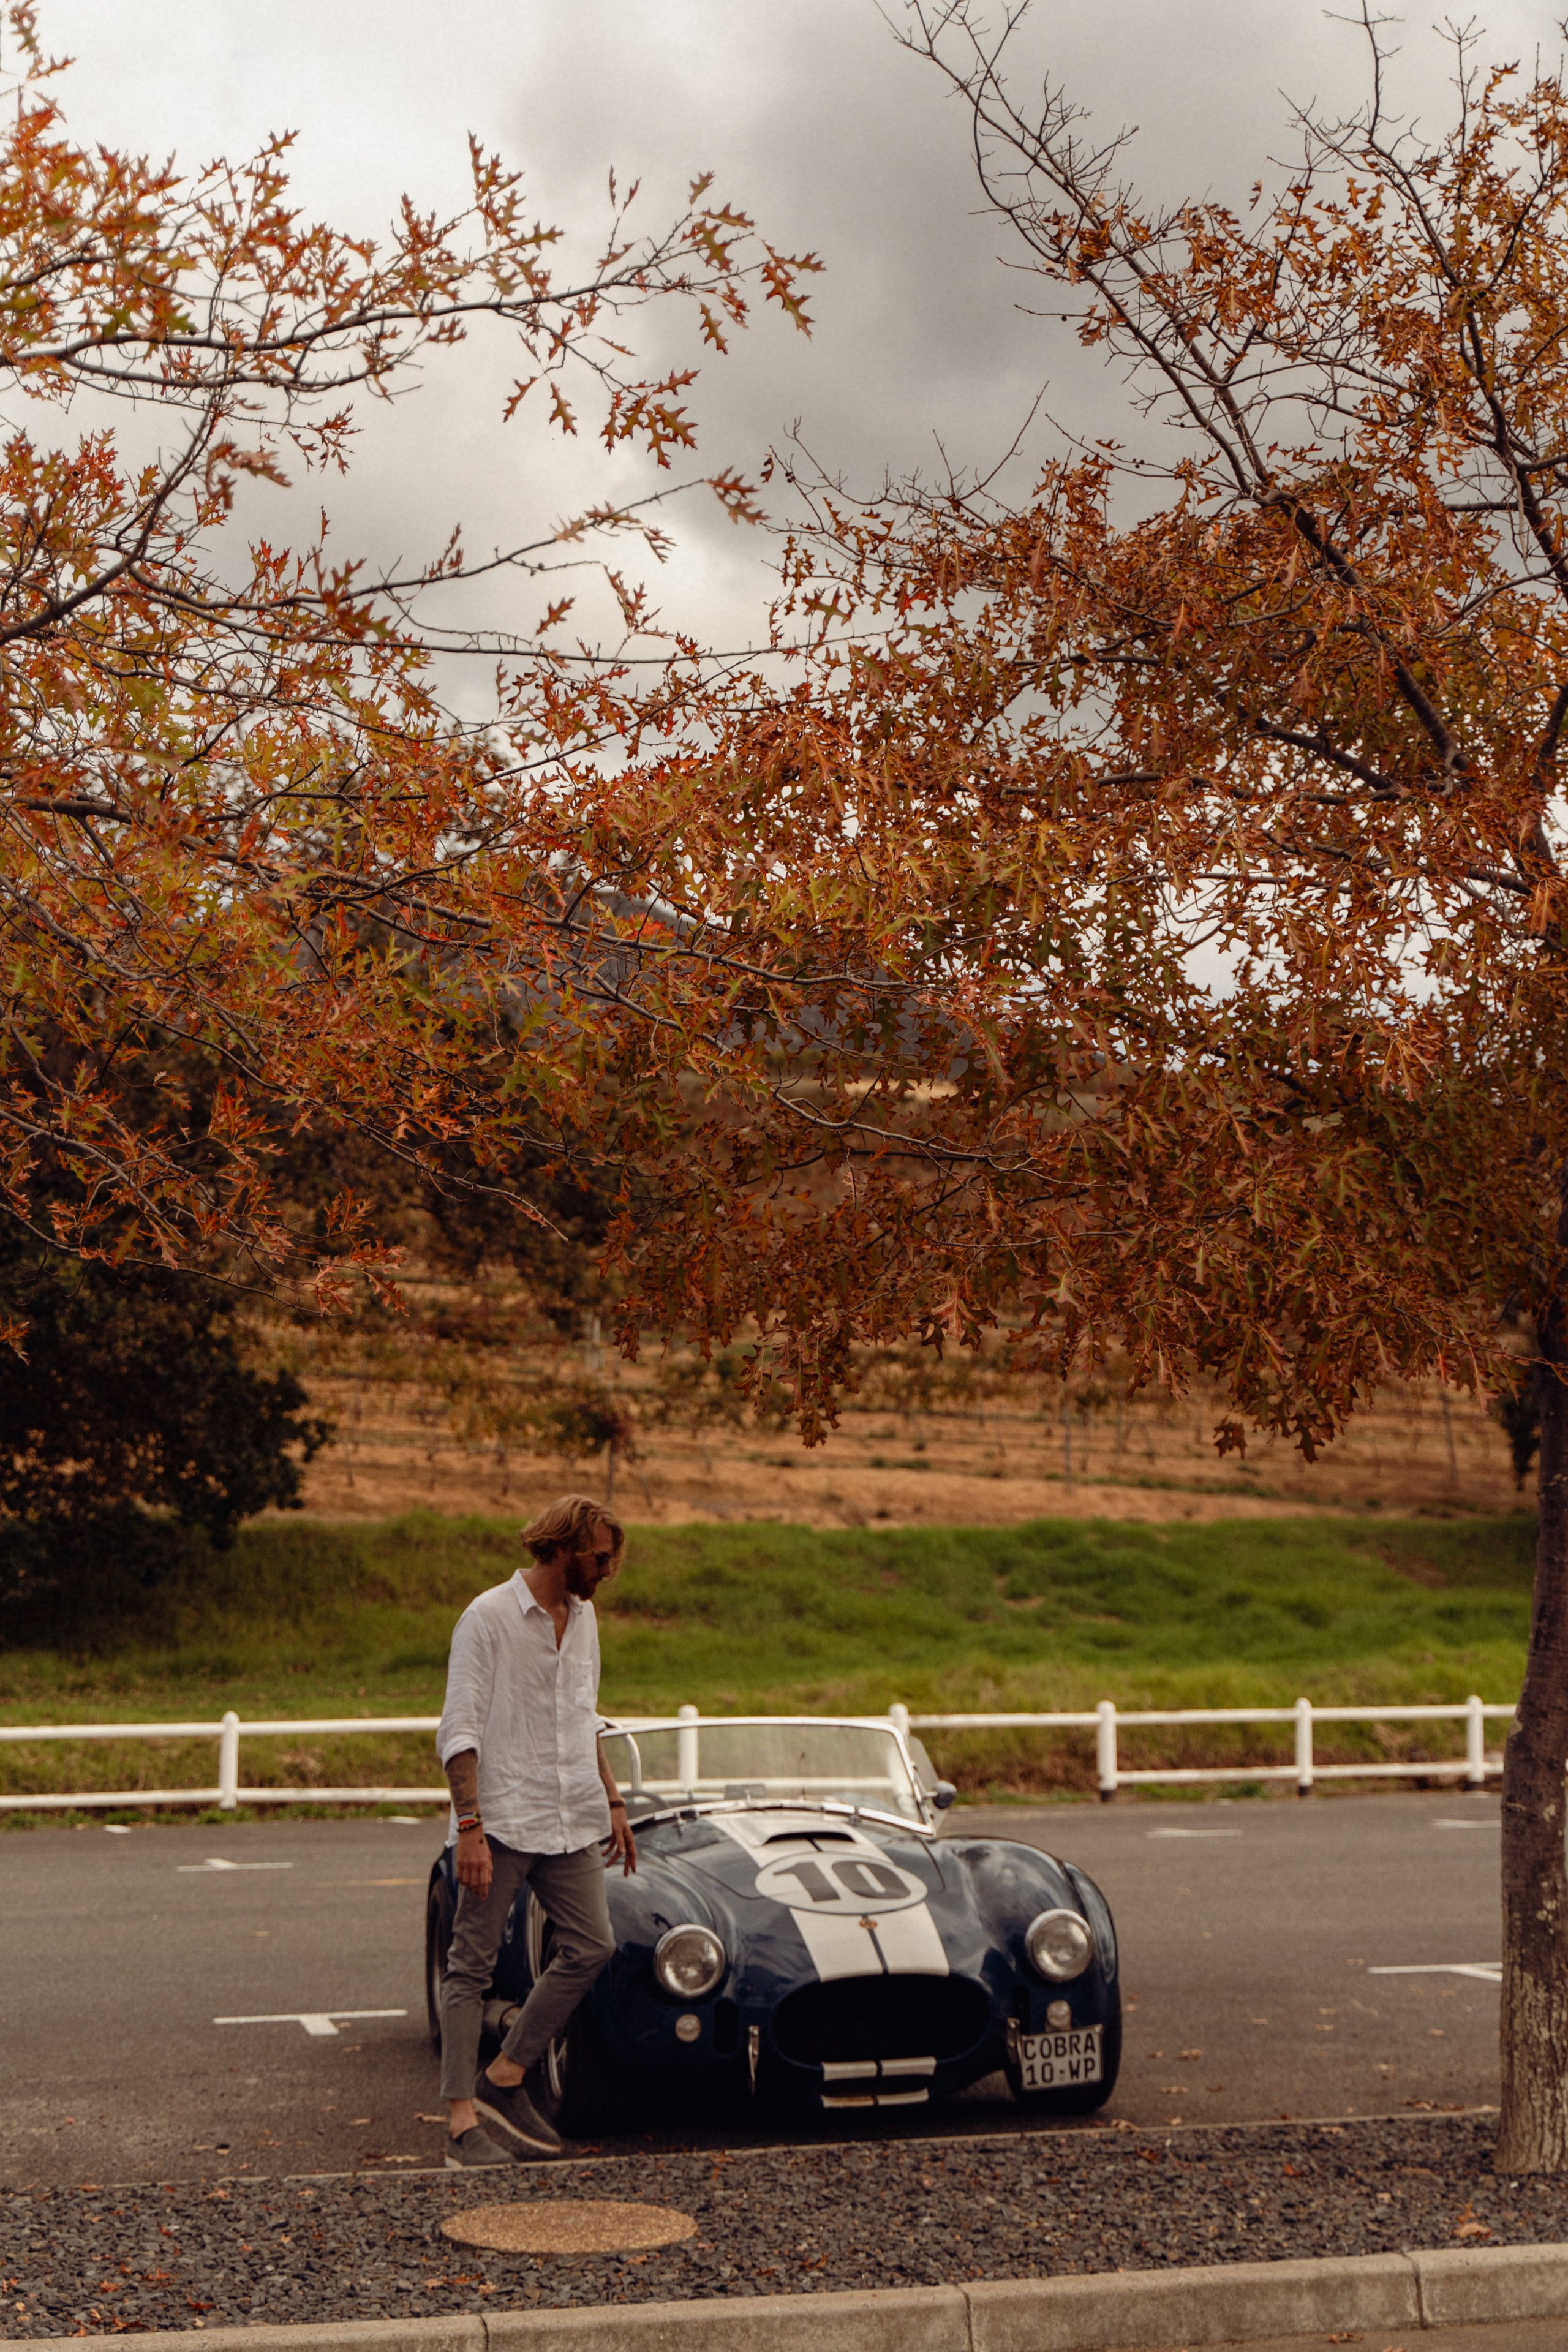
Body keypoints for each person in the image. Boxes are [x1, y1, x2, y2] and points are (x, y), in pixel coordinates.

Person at [434, 1493, 636, 2166]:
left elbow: (582, 1716)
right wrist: (470, 1828)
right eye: (600, 1556)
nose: (607, 1570)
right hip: (503, 1819)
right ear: (565, 1546)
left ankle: (507, 2075)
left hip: (571, 1813)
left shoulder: (583, 1619)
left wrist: (611, 1802)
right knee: (471, 1966)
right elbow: (459, 1729)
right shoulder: (487, 1618)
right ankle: (463, 2124)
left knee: (592, 1946)